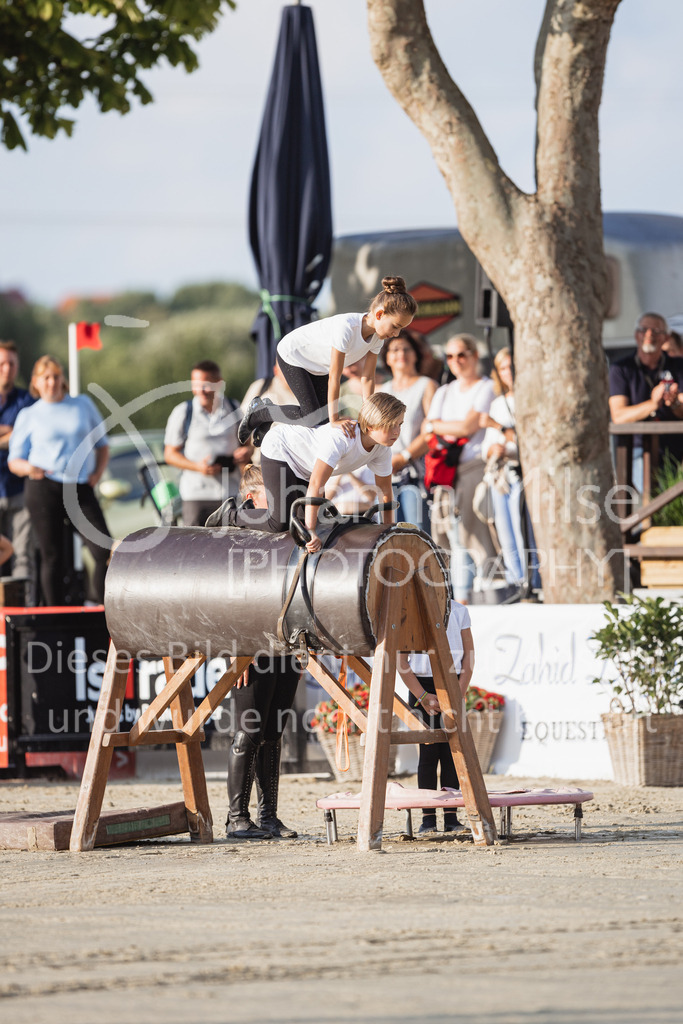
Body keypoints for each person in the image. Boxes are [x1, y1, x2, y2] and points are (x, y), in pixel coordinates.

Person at [214, 392, 406, 553]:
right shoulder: (342, 439)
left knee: (306, 522)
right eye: (392, 425)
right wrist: (311, 531)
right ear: (371, 425)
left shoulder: (382, 449)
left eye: (400, 424)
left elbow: (386, 493)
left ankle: (255, 515)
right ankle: (230, 515)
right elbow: (316, 484)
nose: (397, 432)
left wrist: (388, 531)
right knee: (279, 522)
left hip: (305, 468)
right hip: (282, 450)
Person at [237, 275, 417, 444]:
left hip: (317, 366)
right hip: (294, 355)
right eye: (396, 326)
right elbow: (335, 375)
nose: (396, 334)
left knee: (321, 421)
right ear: (379, 314)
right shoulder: (347, 328)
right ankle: (261, 412)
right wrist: (335, 419)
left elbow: (367, 377)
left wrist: (367, 415)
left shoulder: (378, 337)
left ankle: (268, 417)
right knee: (310, 417)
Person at [224, 464, 302, 840]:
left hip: (284, 641)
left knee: (274, 731)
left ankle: (268, 815)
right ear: (251, 499)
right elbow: (226, 601)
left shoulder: (284, 532)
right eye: (274, 495)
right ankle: (236, 817)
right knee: (249, 730)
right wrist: (238, 651)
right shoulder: (236, 538)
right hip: (252, 646)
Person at [8, 355, 112, 605]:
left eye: (56, 376)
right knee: (51, 555)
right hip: (44, 486)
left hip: (79, 486)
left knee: (103, 550)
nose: (52, 382)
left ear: (63, 379)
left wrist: (96, 474)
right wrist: (29, 468)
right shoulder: (29, 414)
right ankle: (55, 615)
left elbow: (103, 444)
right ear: (36, 382)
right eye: (46, 378)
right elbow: (14, 460)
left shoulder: (82, 405)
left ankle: (103, 608)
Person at [424, 334, 498, 601]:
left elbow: (468, 427)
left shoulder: (487, 387)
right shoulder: (444, 391)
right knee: (451, 538)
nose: (456, 361)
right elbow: (426, 429)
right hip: (446, 471)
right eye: (451, 356)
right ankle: (461, 598)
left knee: (474, 535)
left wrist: (438, 426)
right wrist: (441, 427)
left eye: (462, 354)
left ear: (475, 355)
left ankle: (483, 594)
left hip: (473, 467)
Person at [397, 601, 474, 833]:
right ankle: (428, 817)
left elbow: (468, 660)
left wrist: (456, 696)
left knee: (453, 752)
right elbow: (402, 662)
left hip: (452, 683)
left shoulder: (459, 611)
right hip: (421, 685)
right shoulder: (411, 610)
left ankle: (451, 816)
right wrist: (422, 696)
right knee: (428, 752)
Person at [164, 360, 252, 526]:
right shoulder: (183, 412)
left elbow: (248, 445)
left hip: (231, 492)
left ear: (218, 384)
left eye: (206, 384)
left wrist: (246, 452)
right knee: (195, 547)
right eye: (196, 384)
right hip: (197, 495)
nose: (201, 390)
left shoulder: (234, 408)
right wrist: (198, 467)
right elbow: (170, 454)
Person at [481, 347, 541, 591]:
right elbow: (486, 444)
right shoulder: (497, 403)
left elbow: (532, 442)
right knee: (505, 532)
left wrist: (506, 442)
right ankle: (516, 581)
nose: (509, 372)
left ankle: (532, 581)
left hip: (523, 472)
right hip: (500, 474)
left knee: (523, 529)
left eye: (512, 366)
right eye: (503, 367)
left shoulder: (535, 400)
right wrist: (494, 449)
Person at [609, 313, 683, 491]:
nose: (649, 335)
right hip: (638, 450)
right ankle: (650, 518)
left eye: (656, 331)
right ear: (636, 335)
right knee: (653, 499)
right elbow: (618, 416)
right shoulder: (621, 368)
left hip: (677, 449)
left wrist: (674, 403)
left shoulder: (679, 366)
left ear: (665, 337)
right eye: (644, 330)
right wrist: (652, 403)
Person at [378, 329, 438, 531]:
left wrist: (404, 457)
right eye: (394, 349)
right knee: (389, 537)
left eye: (406, 349)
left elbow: (431, 430)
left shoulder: (427, 385)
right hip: (385, 474)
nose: (401, 353)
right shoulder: (381, 390)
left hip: (415, 473)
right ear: (386, 357)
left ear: (416, 354)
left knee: (417, 533)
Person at [0, 341, 35, 588]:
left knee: (23, 555)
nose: (6, 368)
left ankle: (24, 614)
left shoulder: (27, 401)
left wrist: (15, 435)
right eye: (2, 363)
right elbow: (17, 436)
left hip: (19, 489)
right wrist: (12, 434)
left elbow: (32, 436)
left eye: (11, 363)